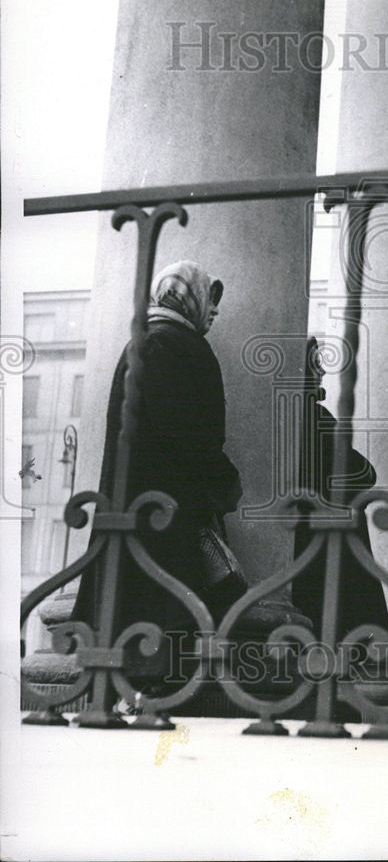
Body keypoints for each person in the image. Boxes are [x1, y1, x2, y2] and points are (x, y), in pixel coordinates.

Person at [73, 260, 246, 642]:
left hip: (142, 508)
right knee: (166, 621)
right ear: (185, 297)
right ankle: (150, 695)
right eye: (209, 298)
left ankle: (135, 695)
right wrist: (224, 479)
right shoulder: (173, 344)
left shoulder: (149, 340)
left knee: (137, 616)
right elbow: (186, 434)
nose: (215, 311)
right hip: (164, 513)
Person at [292, 337, 388, 646]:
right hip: (334, 534)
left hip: (304, 534)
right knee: (346, 626)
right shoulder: (317, 417)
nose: (322, 372)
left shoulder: (287, 417)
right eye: (316, 366)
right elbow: (364, 472)